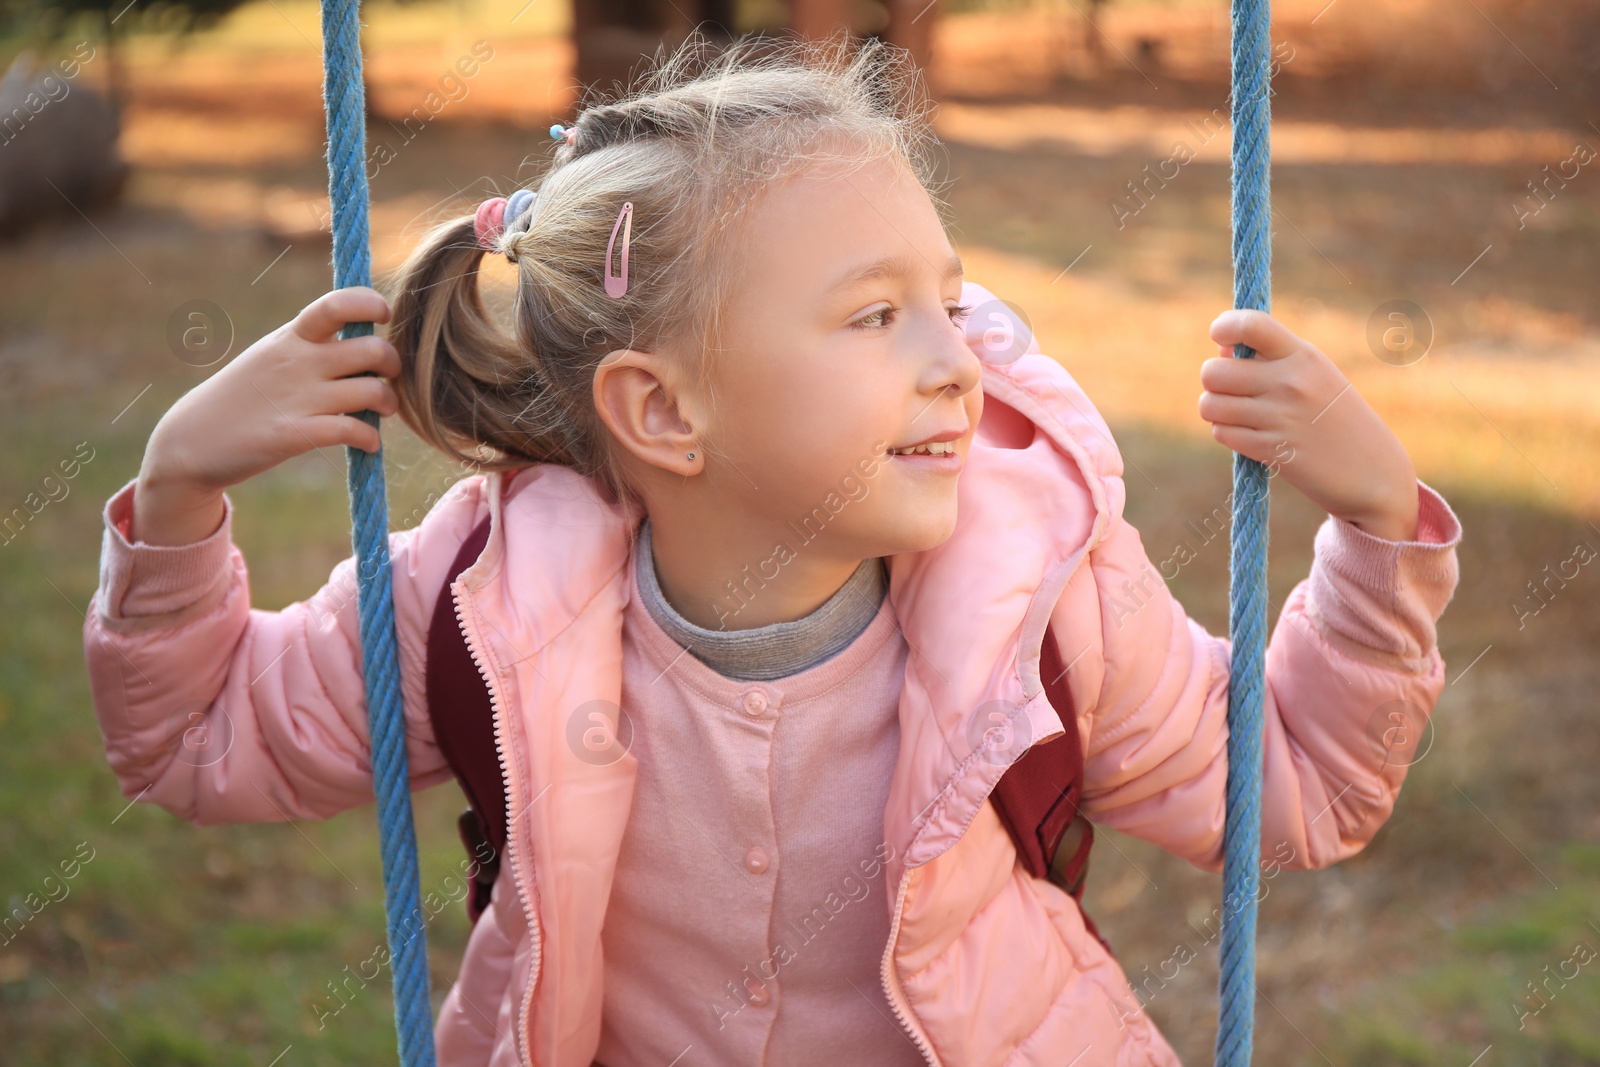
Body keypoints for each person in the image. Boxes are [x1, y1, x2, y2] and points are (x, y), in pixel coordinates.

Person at [81, 30, 1462, 1067]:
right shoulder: (485, 605)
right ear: (665, 411)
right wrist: (182, 487)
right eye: (877, 318)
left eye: (950, 299)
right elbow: (199, 741)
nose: (961, 366)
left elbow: (1297, 786)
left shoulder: (1038, 591)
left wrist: (1377, 522)